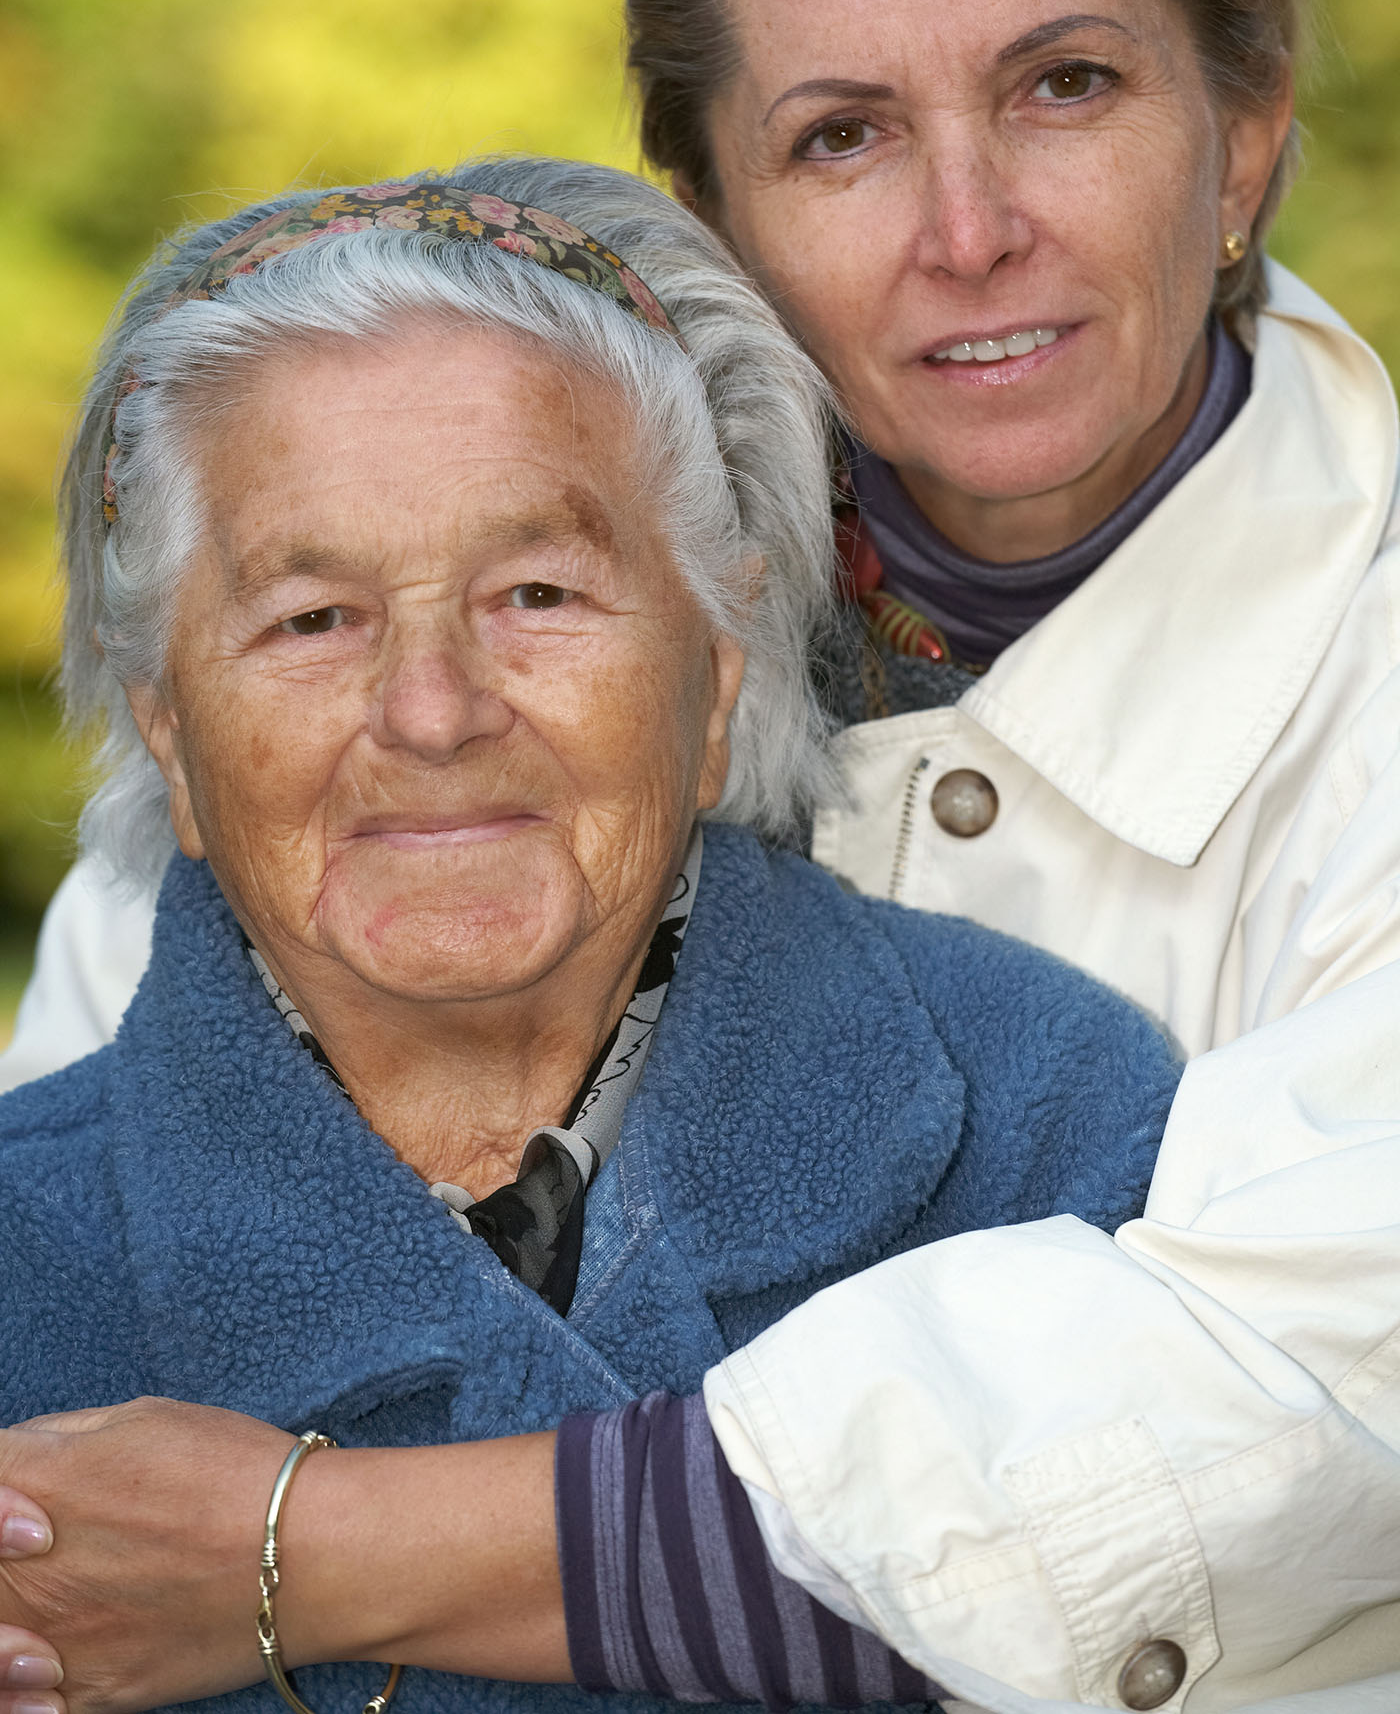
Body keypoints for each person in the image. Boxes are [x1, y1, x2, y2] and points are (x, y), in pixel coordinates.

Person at [2, 0, 1400, 1711]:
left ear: (1248, 132)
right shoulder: (308, 741)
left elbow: (1273, 1413)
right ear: (715, 212)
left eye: (1066, 85)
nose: (967, 223)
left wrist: (310, 1552)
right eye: (841, 134)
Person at [0, 158, 1183, 1714]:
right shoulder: (23, 1258)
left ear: (718, 672)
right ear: (170, 733)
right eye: (312, 619)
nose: (432, 713)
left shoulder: (1055, 1119)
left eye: (538, 590)